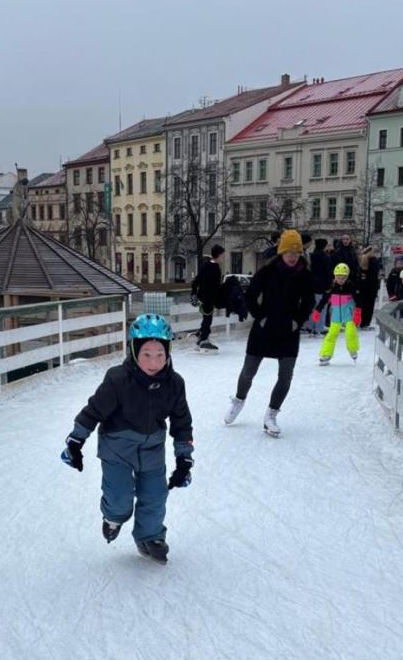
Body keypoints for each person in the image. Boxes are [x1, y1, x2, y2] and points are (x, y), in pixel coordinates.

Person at [60, 313, 193, 564]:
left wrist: (184, 458)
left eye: (159, 355)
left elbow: (181, 422)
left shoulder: (174, 384)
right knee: (120, 498)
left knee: (155, 496)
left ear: (168, 354)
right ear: (133, 351)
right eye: (146, 354)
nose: (153, 362)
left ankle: (150, 537)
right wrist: (76, 441)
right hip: (117, 447)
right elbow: (94, 410)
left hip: (152, 447)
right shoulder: (118, 379)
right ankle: (113, 517)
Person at [224, 229, 315, 437]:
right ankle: (238, 400)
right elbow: (251, 296)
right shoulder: (267, 271)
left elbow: (309, 302)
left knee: (286, 375)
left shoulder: (304, 275)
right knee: (248, 371)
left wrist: (297, 321)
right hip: (264, 329)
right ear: (281, 252)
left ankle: (271, 414)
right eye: (289, 252)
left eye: (296, 252)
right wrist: (260, 316)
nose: (293, 256)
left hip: (288, 331)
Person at [315, 263, 360, 364]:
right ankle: (326, 354)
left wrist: (358, 312)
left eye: (343, 278)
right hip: (336, 315)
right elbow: (324, 300)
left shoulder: (351, 286)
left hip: (349, 314)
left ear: (347, 277)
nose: (340, 280)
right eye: (338, 277)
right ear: (335, 276)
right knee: (331, 334)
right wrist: (318, 310)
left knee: (350, 332)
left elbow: (359, 300)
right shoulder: (332, 287)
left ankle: (353, 349)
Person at [191, 243, 223, 351]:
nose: (223, 258)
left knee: (207, 319)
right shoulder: (215, 268)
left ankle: (202, 336)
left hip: (203, 297)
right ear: (218, 255)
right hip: (208, 299)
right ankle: (203, 338)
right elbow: (215, 286)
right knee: (208, 319)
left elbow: (196, 281)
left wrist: (194, 293)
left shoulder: (206, 265)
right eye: (222, 255)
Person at [308, 237, 332, 334]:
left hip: (312, 285)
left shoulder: (312, 256)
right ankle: (319, 327)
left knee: (313, 306)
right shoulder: (326, 257)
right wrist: (329, 285)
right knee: (321, 307)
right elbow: (328, 272)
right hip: (322, 286)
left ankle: (312, 326)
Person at [357, 247, 381, 329]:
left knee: (362, 305)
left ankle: (360, 322)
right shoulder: (373, 261)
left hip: (362, 287)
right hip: (371, 287)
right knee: (369, 306)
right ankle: (365, 323)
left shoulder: (362, 261)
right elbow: (375, 275)